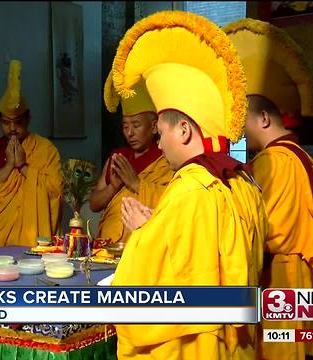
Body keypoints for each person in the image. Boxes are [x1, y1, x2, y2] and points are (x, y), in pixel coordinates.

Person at [108, 11, 268, 359]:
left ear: (183, 130)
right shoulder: (243, 180)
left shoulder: (190, 190)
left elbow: (152, 280)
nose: (160, 144)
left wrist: (141, 232)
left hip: (197, 347)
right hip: (236, 342)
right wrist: (158, 226)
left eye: (162, 132)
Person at [224, 19, 313, 360]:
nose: (240, 137)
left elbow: (258, 225)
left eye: (245, 126)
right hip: (299, 274)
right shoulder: (304, 159)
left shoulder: (273, 161)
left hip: (277, 275)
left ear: (265, 119)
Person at [0, 60, 63, 249]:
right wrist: (8, 167)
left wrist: (23, 167)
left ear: (28, 119)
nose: (12, 129)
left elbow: (56, 192)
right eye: (6, 122)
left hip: (36, 243)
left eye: (18, 122)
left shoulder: (45, 150)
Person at [89, 71, 173, 244]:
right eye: (125, 126)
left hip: (141, 243)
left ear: (154, 126)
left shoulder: (167, 160)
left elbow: (173, 202)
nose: (129, 133)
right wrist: (113, 187)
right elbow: (94, 204)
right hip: (108, 244)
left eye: (136, 125)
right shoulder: (118, 157)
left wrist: (136, 184)